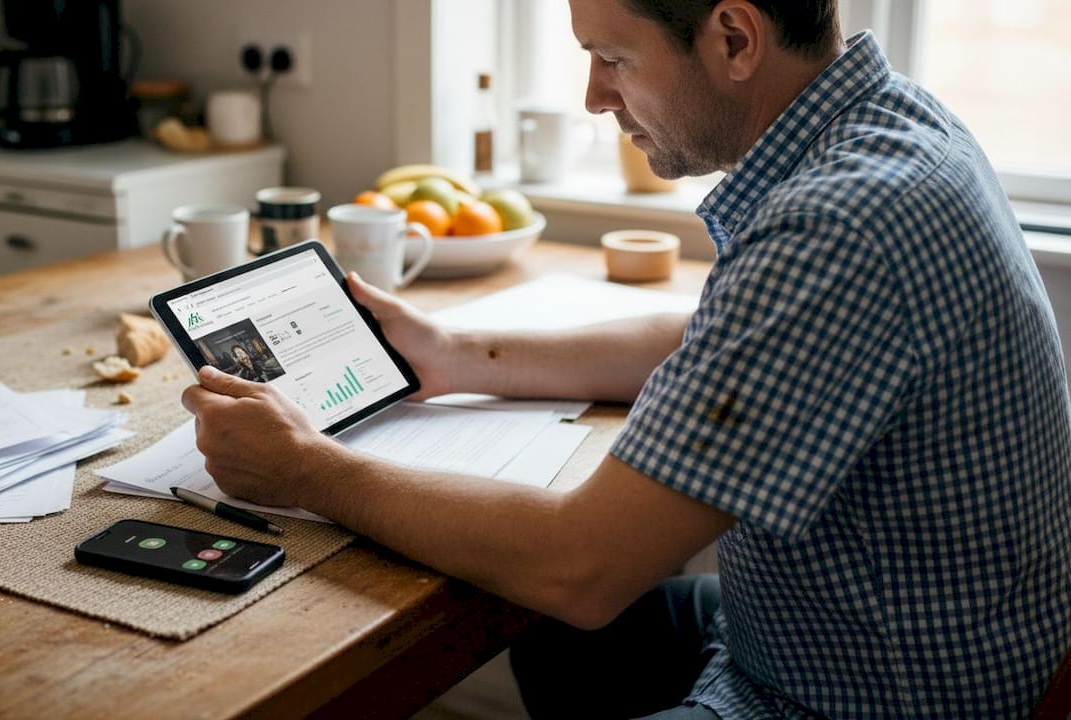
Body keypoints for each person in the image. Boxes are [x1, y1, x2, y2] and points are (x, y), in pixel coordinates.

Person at [180, 0, 1071, 716]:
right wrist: (456, 354)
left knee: (550, 593)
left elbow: (583, 567)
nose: (593, 98)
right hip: (856, 640)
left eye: (612, 57)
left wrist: (307, 469)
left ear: (733, 38)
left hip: (856, 694)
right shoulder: (888, 126)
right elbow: (717, 342)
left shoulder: (836, 226)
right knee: (532, 618)